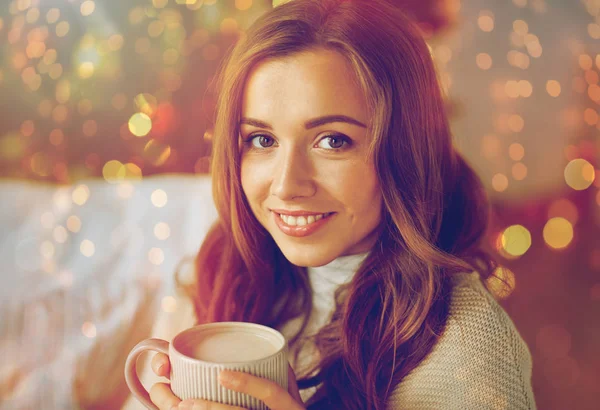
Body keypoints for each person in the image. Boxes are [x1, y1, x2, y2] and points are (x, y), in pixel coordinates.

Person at [131, 0, 537, 409]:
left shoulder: (468, 351)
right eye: (262, 139)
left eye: (332, 141)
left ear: (406, 151)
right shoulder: (224, 268)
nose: (287, 186)